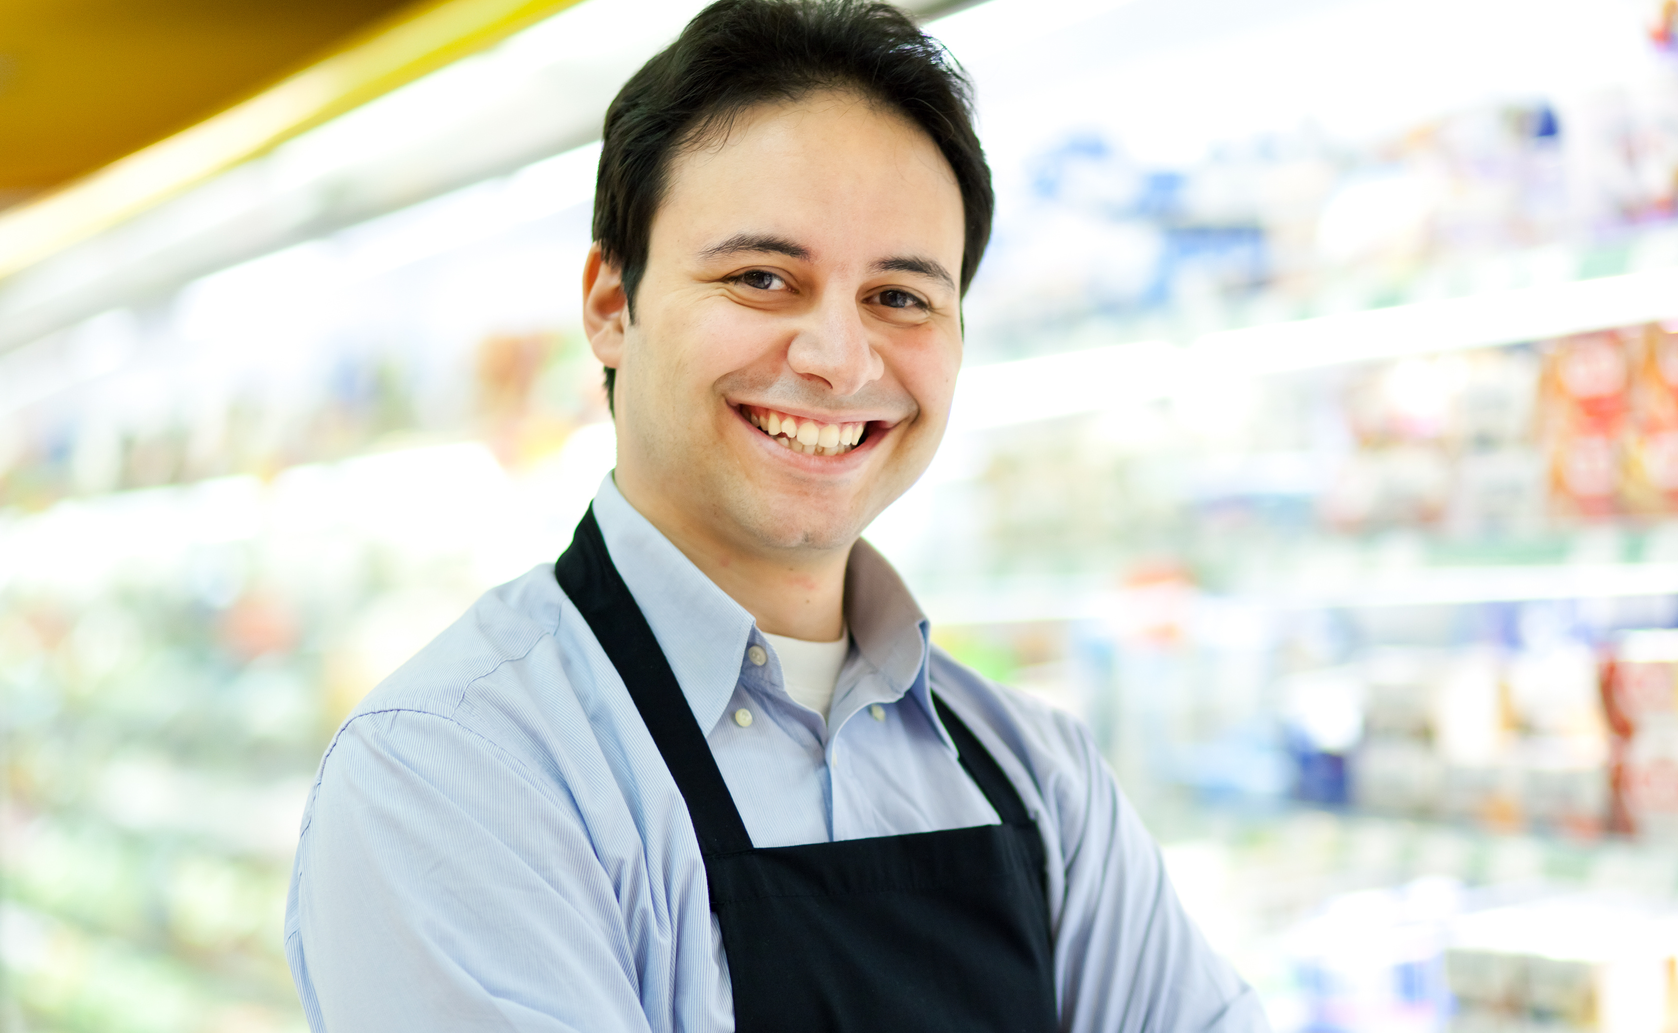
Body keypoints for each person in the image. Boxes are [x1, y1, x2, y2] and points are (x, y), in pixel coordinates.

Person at [284, 1, 1269, 1029]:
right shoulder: (454, 772)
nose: (838, 360)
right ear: (610, 303)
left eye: (900, 296)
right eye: (761, 278)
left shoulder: (1038, 775)